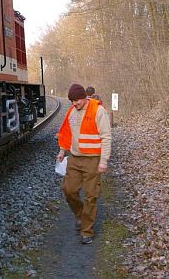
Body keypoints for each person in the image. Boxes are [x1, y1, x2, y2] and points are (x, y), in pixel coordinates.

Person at [56, 83, 112, 244]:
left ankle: (87, 231)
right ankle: (81, 216)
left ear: (84, 98)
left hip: (92, 160)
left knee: (90, 196)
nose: (75, 104)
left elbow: (106, 137)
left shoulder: (98, 111)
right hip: (74, 158)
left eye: (77, 101)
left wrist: (103, 161)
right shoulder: (71, 112)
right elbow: (66, 133)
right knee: (68, 190)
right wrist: (62, 151)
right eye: (72, 101)